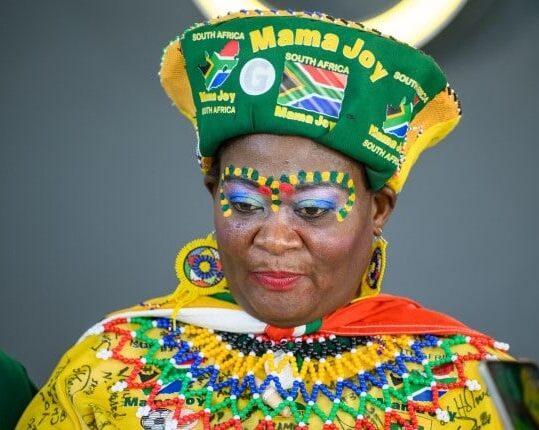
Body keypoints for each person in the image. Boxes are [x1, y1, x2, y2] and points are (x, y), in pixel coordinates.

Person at [17, 10, 513, 430]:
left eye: (314, 210)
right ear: (213, 194)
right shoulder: (108, 363)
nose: (274, 239)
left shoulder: (484, 381)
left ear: (377, 209)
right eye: (244, 204)